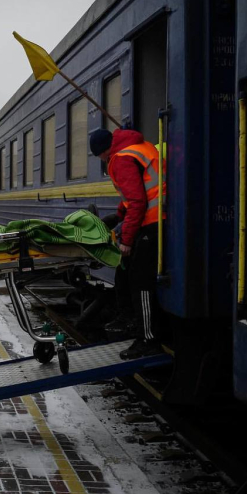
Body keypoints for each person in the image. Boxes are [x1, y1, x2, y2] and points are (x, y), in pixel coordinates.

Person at [89, 128, 166, 360]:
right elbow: (137, 193)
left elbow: (137, 201)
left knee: (140, 282)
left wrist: (127, 239)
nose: (102, 161)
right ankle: (132, 323)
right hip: (159, 218)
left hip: (152, 223)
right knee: (128, 274)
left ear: (103, 152)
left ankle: (148, 340)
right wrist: (119, 215)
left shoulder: (120, 159)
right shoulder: (138, 147)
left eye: (100, 157)